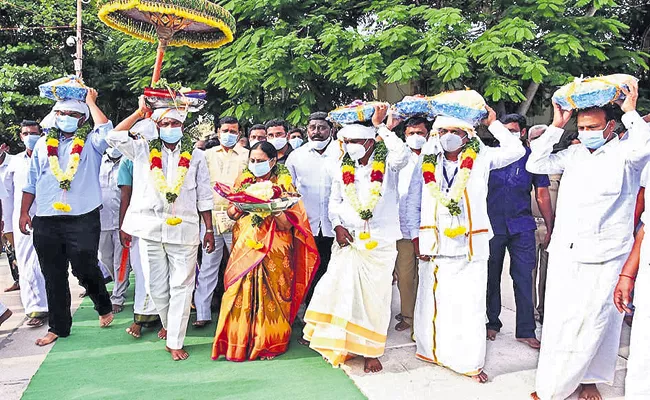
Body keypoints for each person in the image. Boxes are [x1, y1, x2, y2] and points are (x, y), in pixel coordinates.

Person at [527, 79, 648, 400]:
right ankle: (554, 382)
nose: (586, 132)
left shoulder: (627, 153)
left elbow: (645, 145)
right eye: (581, 127)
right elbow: (535, 163)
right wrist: (556, 125)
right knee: (561, 321)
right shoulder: (573, 154)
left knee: (600, 323)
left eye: (593, 127)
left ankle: (583, 381)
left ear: (610, 126)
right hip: (567, 252)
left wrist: (631, 113)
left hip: (608, 255)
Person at [406, 108, 526, 383]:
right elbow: (414, 200)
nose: (449, 137)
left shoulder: (482, 157)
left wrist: (493, 123)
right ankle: (431, 351)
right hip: (435, 243)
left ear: (467, 135)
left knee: (469, 306)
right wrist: (416, 237)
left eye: (456, 132)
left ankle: (468, 362)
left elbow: (516, 150)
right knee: (434, 302)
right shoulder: (427, 161)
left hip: (470, 245)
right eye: (444, 132)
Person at [107, 98, 215, 361]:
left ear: (183, 125)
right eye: (164, 123)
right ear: (156, 125)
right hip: (150, 228)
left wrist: (209, 229)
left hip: (186, 229)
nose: (170, 127)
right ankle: (169, 323)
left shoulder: (197, 156)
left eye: (175, 123)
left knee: (182, 285)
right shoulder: (143, 149)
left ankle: (175, 339)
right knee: (156, 287)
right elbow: (114, 136)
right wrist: (138, 113)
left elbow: (204, 194)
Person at [303, 104, 409, 373]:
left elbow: (402, 154)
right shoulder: (341, 166)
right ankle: (343, 343)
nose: (349, 146)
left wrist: (381, 126)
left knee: (376, 298)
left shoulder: (389, 163)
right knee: (341, 292)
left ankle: (371, 350)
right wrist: (337, 225)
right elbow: (334, 200)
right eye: (345, 141)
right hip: (347, 240)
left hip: (380, 241)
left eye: (355, 142)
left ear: (370, 142)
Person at [20, 89, 115, 347]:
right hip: (47, 217)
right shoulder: (42, 144)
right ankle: (58, 327)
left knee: (84, 267)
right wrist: (24, 213)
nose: (66, 118)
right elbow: (31, 182)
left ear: (82, 120)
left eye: (73, 114)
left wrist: (90, 102)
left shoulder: (91, 143)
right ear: (54, 115)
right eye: (61, 113)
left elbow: (107, 131)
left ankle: (102, 302)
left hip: (82, 216)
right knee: (53, 274)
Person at [212, 141, 319, 361]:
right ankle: (239, 341)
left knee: (274, 292)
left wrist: (272, 207)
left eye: (260, 161)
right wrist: (243, 205)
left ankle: (269, 342)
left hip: (275, 248)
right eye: (252, 160)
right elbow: (232, 213)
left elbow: (288, 225)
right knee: (238, 290)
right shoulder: (244, 181)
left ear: (273, 161)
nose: (255, 164)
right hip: (246, 242)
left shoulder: (285, 185)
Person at [485, 114, 554, 349]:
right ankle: (491, 323)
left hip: (522, 226)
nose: (509, 134)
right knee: (489, 276)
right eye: (504, 130)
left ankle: (526, 330)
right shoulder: (490, 155)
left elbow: (542, 194)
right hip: (491, 226)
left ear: (522, 133)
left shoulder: (533, 158)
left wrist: (550, 225)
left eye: (513, 130)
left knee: (524, 277)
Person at [194, 116, 247, 328]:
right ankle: (202, 313)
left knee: (240, 264)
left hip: (238, 217)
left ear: (239, 133)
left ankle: (240, 311)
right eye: (225, 130)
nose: (229, 134)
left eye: (233, 131)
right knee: (208, 265)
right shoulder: (205, 155)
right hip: (210, 218)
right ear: (217, 132)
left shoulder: (247, 155)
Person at [285, 112, 339, 308]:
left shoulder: (342, 152)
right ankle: (310, 316)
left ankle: (331, 315)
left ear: (331, 130)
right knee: (309, 271)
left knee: (333, 272)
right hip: (306, 225)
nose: (317, 132)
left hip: (336, 227)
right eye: (312, 128)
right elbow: (288, 190)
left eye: (322, 127)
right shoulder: (296, 156)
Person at [2, 121, 48, 327]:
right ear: (20, 137)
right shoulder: (14, 163)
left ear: (41, 134)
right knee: (27, 264)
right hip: (22, 220)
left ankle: (54, 304)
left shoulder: (50, 155)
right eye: (26, 133)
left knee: (49, 264)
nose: (30, 136)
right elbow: (7, 196)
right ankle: (35, 309)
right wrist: (8, 229)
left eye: (33, 133)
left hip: (49, 216)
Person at [117, 157, 160, 338]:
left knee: (168, 273)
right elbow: (126, 194)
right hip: (140, 221)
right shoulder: (128, 161)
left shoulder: (173, 152)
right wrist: (124, 225)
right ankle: (141, 318)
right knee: (143, 271)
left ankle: (167, 322)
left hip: (168, 220)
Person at [394, 116, 430, 333]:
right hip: (402, 227)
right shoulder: (397, 158)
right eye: (411, 133)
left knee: (427, 274)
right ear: (404, 136)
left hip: (429, 226)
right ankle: (408, 315)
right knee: (406, 275)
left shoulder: (434, 156)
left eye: (420, 133)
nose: (416, 137)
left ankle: (425, 316)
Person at [527, 125, 561, 324]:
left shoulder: (559, 163)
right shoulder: (523, 162)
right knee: (528, 274)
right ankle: (530, 314)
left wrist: (553, 226)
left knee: (549, 275)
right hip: (529, 225)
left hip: (553, 226)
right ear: (529, 141)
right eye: (538, 137)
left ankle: (546, 312)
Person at [98, 147, 128, 313]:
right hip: (101, 220)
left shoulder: (128, 160)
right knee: (105, 258)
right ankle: (119, 282)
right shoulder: (98, 162)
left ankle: (118, 296)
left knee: (121, 261)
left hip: (123, 221)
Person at [0, 139, 17, 293]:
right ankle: (17, 280)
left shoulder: (14, 163)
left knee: (20, 251)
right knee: (10, 251)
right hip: (3, 218)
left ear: (4, 147)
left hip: (16, 216)